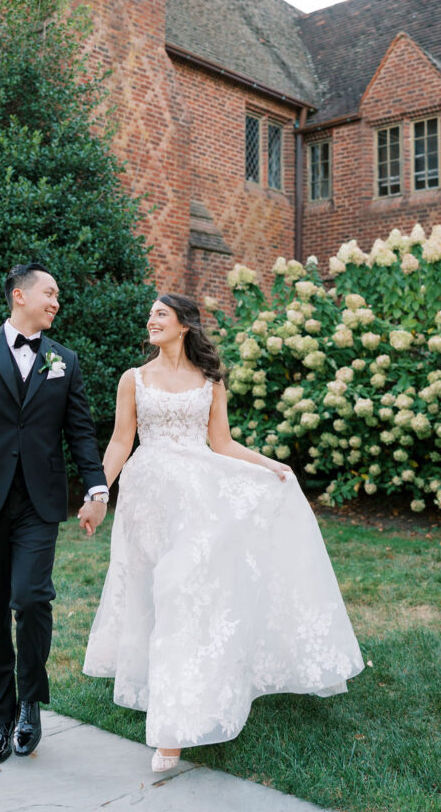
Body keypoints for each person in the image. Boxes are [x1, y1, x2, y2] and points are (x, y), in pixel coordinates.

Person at [84, 293, 363, 773]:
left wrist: (270, 465)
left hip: (197, 495)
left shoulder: (210, 380)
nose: (150, 320)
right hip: (147, 499)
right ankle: (159, 686)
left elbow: (223, 442)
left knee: (183, 590)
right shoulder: (133, 380)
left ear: (184, 326)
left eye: (160, 314)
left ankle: (172, 730)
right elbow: (119, 441)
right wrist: (97, 493)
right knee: (155, 594)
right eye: (150, 314)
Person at [0, 263, 109, 764]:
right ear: (19, 295)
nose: (56, 302)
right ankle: (0, 717)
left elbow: (80, 431)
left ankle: (30, 701)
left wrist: (95, 488)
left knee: (31, 599)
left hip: (39, 501)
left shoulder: (63, 361)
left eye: (58, 295)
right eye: (49, 293)